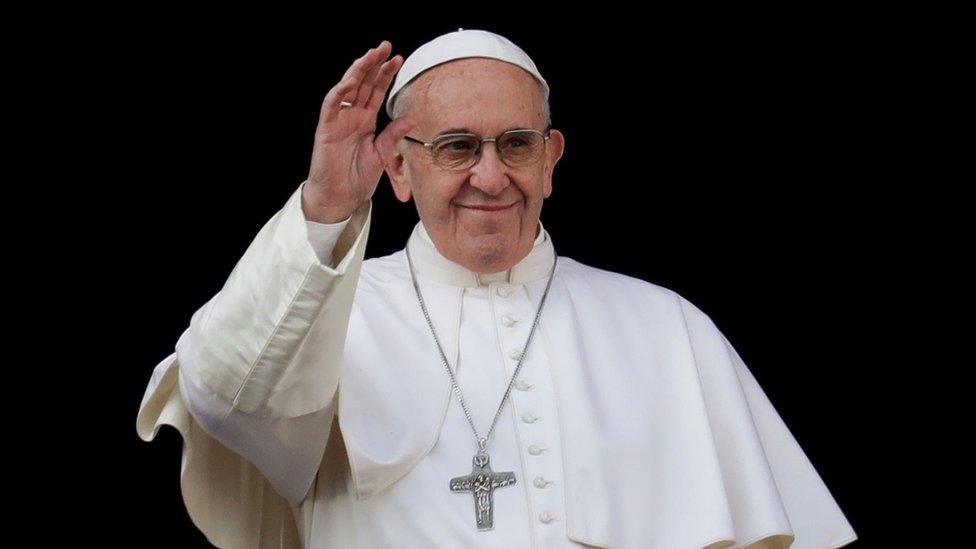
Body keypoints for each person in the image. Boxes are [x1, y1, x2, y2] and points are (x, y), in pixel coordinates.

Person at [135, 29, 858, 549]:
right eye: (456, 146)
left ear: (550, 160)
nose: (490, 175)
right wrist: (325, 208)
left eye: (515, 143)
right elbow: (221, 392)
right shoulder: (326, 313)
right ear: (399, 170)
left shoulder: (667, 327)